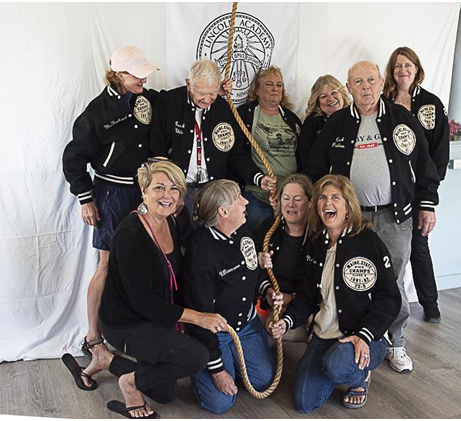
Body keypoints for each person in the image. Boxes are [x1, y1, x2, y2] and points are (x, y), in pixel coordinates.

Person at [62, 160, 229, 419]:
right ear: (144, 190)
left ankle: (108, 361)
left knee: (165, 393)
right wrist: (197, 318)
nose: (167, 195)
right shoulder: (131, 234)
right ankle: (128, 384)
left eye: (174, 189)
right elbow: (143, 302)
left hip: (154, 318)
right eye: (159, 187)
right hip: (125, 323)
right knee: (196, 356)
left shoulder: (170, 223)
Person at [304, 61, 440, 374]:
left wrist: (427, 204)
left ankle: (396, 343)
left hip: (395, 217)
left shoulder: (401, 119)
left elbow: (423, 165)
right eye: (357, 82)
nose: (365, 87)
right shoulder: (336, 124)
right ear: (348, 88)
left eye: (370, 80)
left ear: (381, 83)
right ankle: (357, 339)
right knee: (352, 277)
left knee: (393, 280)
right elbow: (314, 169)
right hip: (350, 221)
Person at [269, 174, 401, 412]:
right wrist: (287, 321)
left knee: (337, 364)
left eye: (335, 198)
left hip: (363, 336)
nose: (327, 203)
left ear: (348, 206)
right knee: (303, 402)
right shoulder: (316, 243)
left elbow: (389, 298)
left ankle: (359, 376)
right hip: (324, 334)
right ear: (316, 206)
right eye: (322, 198)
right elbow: (308, 295)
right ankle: (336, 365)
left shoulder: (369, 242)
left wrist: (364, 335)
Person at [62, 45, 160, 360]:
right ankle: (93, 338)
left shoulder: (148, 98)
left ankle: (140, 331)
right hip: (112, 193)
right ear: (118, 74)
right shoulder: (96, 112)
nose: (143, 79)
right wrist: (86, 199)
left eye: (145, 72)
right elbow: (74, 158)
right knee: (106, 265)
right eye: (137, 74)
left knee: (148, 262)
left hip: (146, 194)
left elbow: (173, 102)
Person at [181, 180, 283, 414]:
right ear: (223, 211)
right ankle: (207, 364)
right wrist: (217, 370)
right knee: (219, 403)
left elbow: (252, 273)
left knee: (263, 381)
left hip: (246, 323)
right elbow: (201, 318)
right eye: (238, 198)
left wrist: (267, 291)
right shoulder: (201, 254)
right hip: (216, 333)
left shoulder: (242, 231)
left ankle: (240, 359)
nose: (246, 201)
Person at [151, 59, 276, 214]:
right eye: (202, 93)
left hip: (213, 191)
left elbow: (235, 153)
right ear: (188, 84)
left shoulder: (223, 109)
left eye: (212, 94)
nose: (207, 100)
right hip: (178, 189)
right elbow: (156, 149)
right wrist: (167, 191)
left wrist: (258, 177)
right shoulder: (169, 103)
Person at [384, 47, 449, 323]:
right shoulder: (382, 101)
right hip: (389, 190)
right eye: (398, 66)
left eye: (408, 65)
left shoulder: (430, 104)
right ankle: (385, 307)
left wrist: (428, 196)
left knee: (419, 247)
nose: (403, 71)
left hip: (419, 190)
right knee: (387, 251)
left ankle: (430, 303)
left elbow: (439, 152)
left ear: (416, 68)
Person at [237, 65, 302, 231]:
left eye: (279, 85)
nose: (275, 88)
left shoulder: (291, 118)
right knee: (258, 240)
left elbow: (302, 154)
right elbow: (236, 154)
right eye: (269, 84)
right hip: (257, 195)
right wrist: (258, 177)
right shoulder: (245, 115)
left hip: (288, 197)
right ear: (257, 90)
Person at [254, 174, 313, 342]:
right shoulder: (269, 228)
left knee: (317, 328)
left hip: (308, 304)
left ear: (310, 203)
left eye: (298, 199)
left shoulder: (318, 237)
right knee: (273, 326)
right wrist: (268, 291)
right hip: (275, 303)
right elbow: (249, 264)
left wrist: (290, 299)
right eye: (286, 198)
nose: (290, 205)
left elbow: (316, 287)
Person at [299, 75, 351, 165]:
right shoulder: (312, 123)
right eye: (323, 96)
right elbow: (305, 157)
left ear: (342, 94)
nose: (330, 98)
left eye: (334, 92)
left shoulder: (354, 116)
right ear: (317, 102)